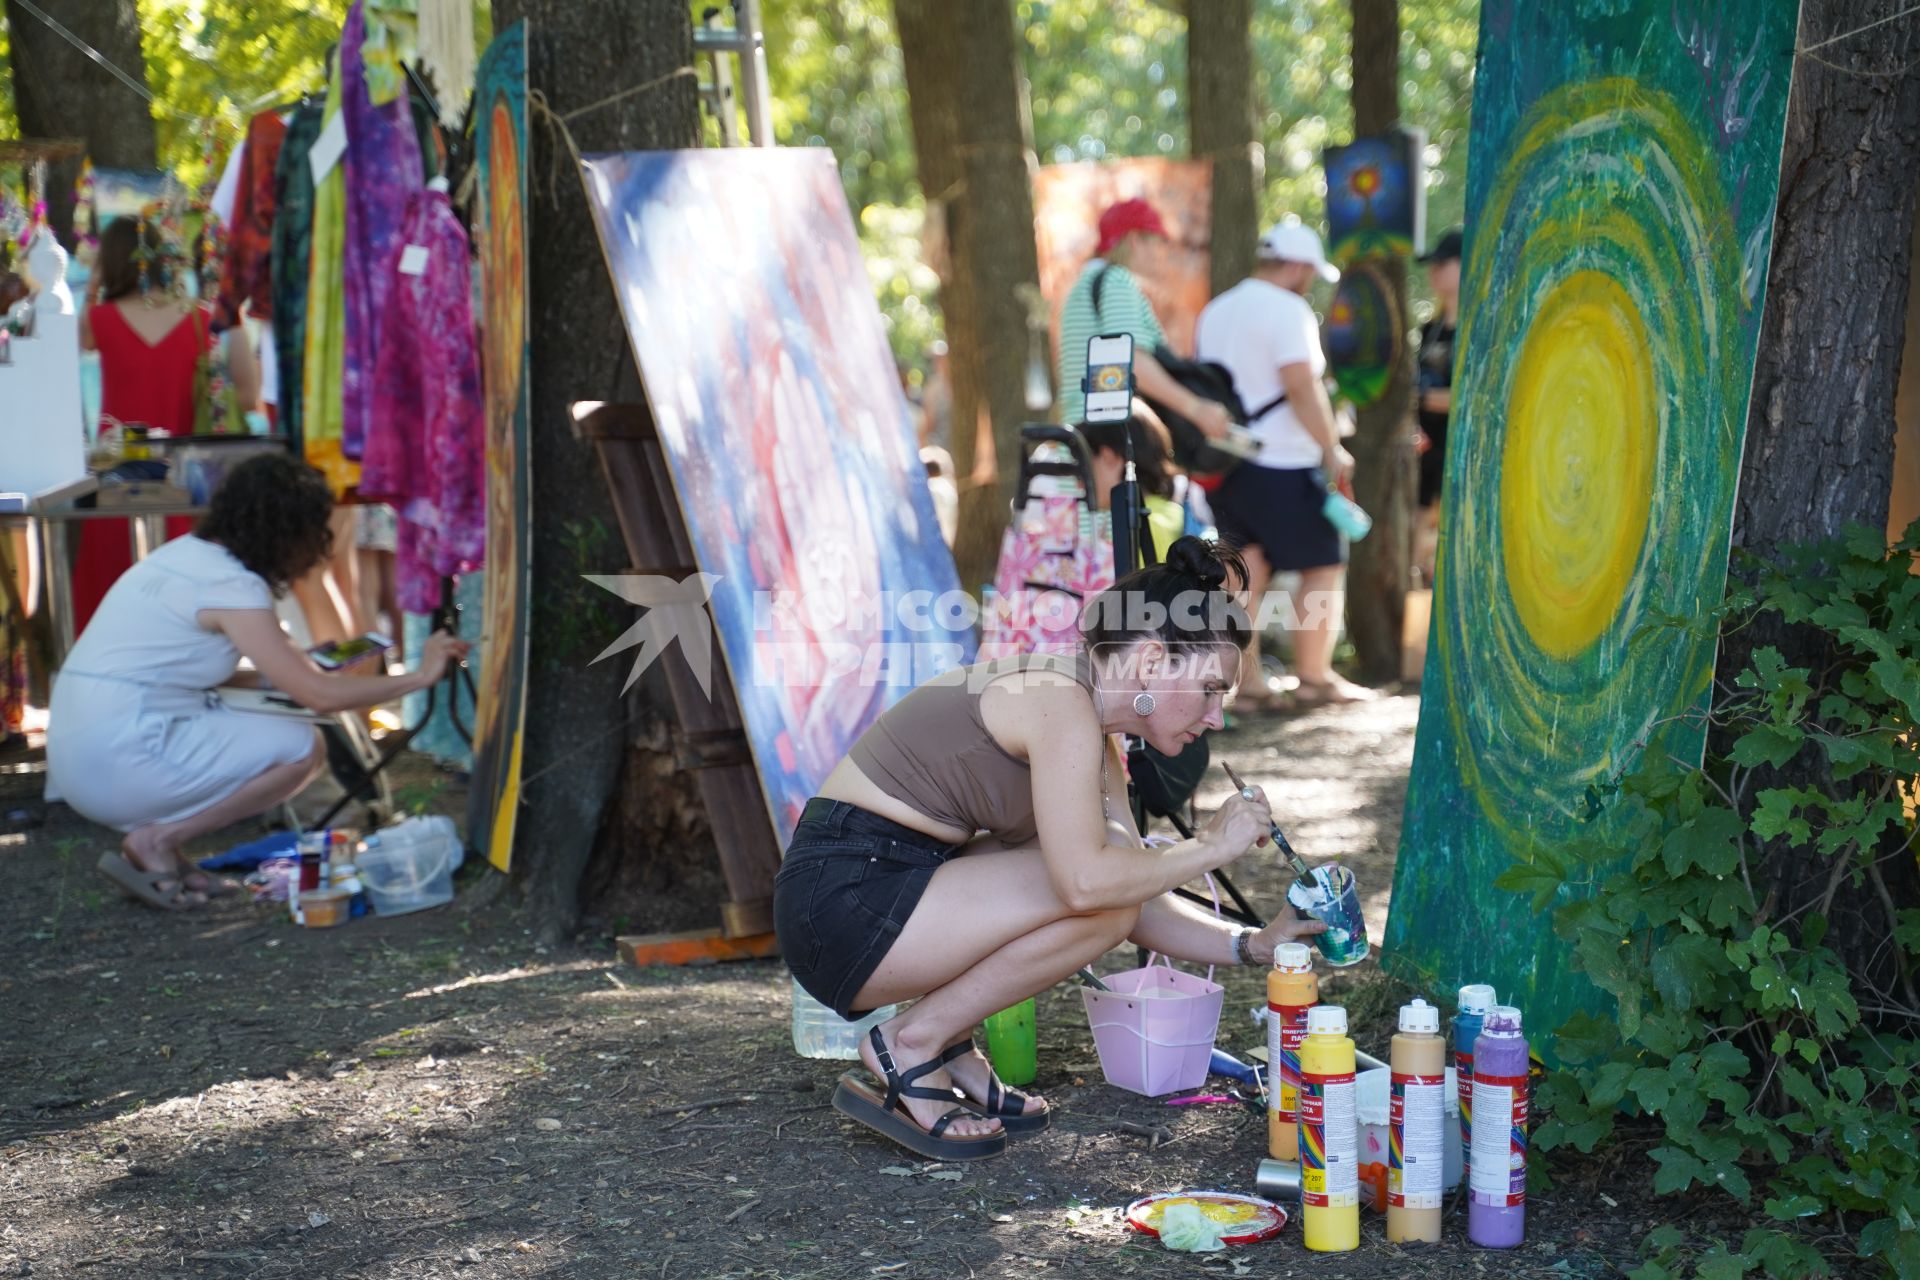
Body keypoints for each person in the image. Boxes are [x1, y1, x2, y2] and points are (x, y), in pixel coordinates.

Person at [774, 537, 1327, 1160]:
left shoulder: (1088, 728)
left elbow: (1127, 892)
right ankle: (911, 1041)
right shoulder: (1058, 702)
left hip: (883, 892)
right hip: (843, 901)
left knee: (1114, 868)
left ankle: (946, 1040)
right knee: (1100, 882)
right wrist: (1207, 848)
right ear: (1149, 661)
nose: (1217, 716)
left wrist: (1255, 945)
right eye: (1209, 688)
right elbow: (1089, 888)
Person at [49, 453, 468, 911]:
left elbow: (195, 672)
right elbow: (317, 696)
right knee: (300, 747)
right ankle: (159, 840)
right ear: (288, 532)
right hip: (116, 760)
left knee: (273, 722)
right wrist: (420, 677)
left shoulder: (183, 557)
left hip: (82, 755)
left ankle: (167, 851)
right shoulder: (232, 585)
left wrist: (292, 665)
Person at [1196, 222, 1374, 708]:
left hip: (1229, 462)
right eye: (1310, 273)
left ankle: (1247, 685)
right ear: (1296, 266)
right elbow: (1301, 384)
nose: (1310, 282)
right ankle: (1314, 678)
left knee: (1245, 568)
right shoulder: (1289, 309)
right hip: (1283, 461)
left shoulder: (1217, 309)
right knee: (1323, 564)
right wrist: (1331, 446)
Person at [1056, 199, 1233, 441]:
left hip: (1086, 442)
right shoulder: (1117, 280)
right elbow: (1131, 361)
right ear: (1135, 240)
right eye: (1157, 241)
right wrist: (1195, 408)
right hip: (1112, 447)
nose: (1160, 253)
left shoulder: (1082, 285)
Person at [1415, 228, 1463, 583]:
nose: (1433, 271)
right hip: (1425, 459)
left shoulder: (1481, 329)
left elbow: (1471, 401)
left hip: (1461, 458)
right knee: (1420, 556)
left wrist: (1423, 399)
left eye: (1442, 263)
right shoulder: (1428, 329)